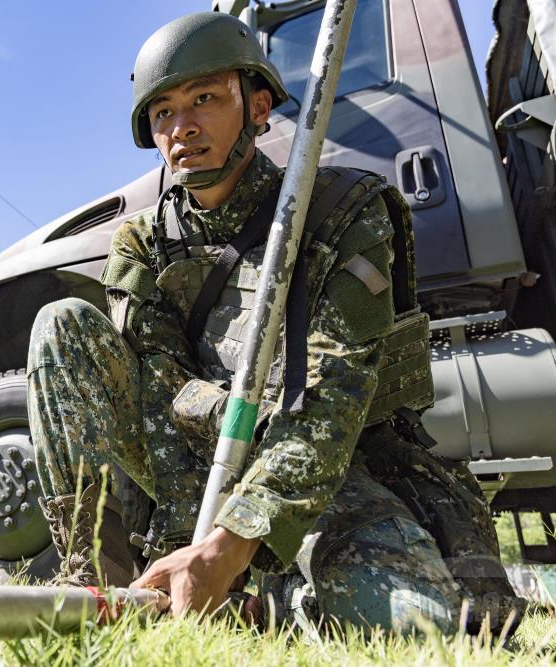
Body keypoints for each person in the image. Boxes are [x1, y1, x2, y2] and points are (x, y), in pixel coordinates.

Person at [27, 12, 522, 634]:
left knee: (419, 626)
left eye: (205, 98)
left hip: (321, 467)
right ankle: (93, 583)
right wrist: (190, 539)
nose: (182, 128)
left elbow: (332, 403)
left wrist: (233, 543)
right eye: (162, 113)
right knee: (63, 323)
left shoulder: (341, 212)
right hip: (193, 465)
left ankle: (281, 591)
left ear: (259, 104)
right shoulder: (143, 245)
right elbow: (159, 397)